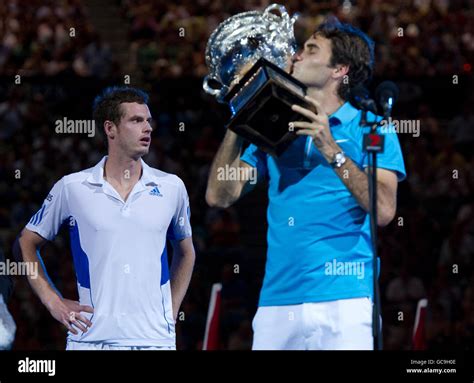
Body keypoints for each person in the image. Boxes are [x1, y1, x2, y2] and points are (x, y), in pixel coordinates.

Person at [206, 19, 406, 350]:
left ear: (339, 69)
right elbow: (219, 195)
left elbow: (384, 210)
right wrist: (241, 111)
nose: (296, 56)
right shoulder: (275, 129)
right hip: (277, 301)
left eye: (311, 49)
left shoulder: (372, 127)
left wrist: (330, 148)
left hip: (346, 300)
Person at [15, 86, 195, 350]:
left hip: (155, 341)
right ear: (110, 129)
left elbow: (186, 252)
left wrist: (170, 310)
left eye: (148, 120)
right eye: (136, 120)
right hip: (90, 339)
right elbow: (25, 242)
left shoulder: (172, 187)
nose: (148, 128)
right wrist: (52, 301)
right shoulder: (72, 187)